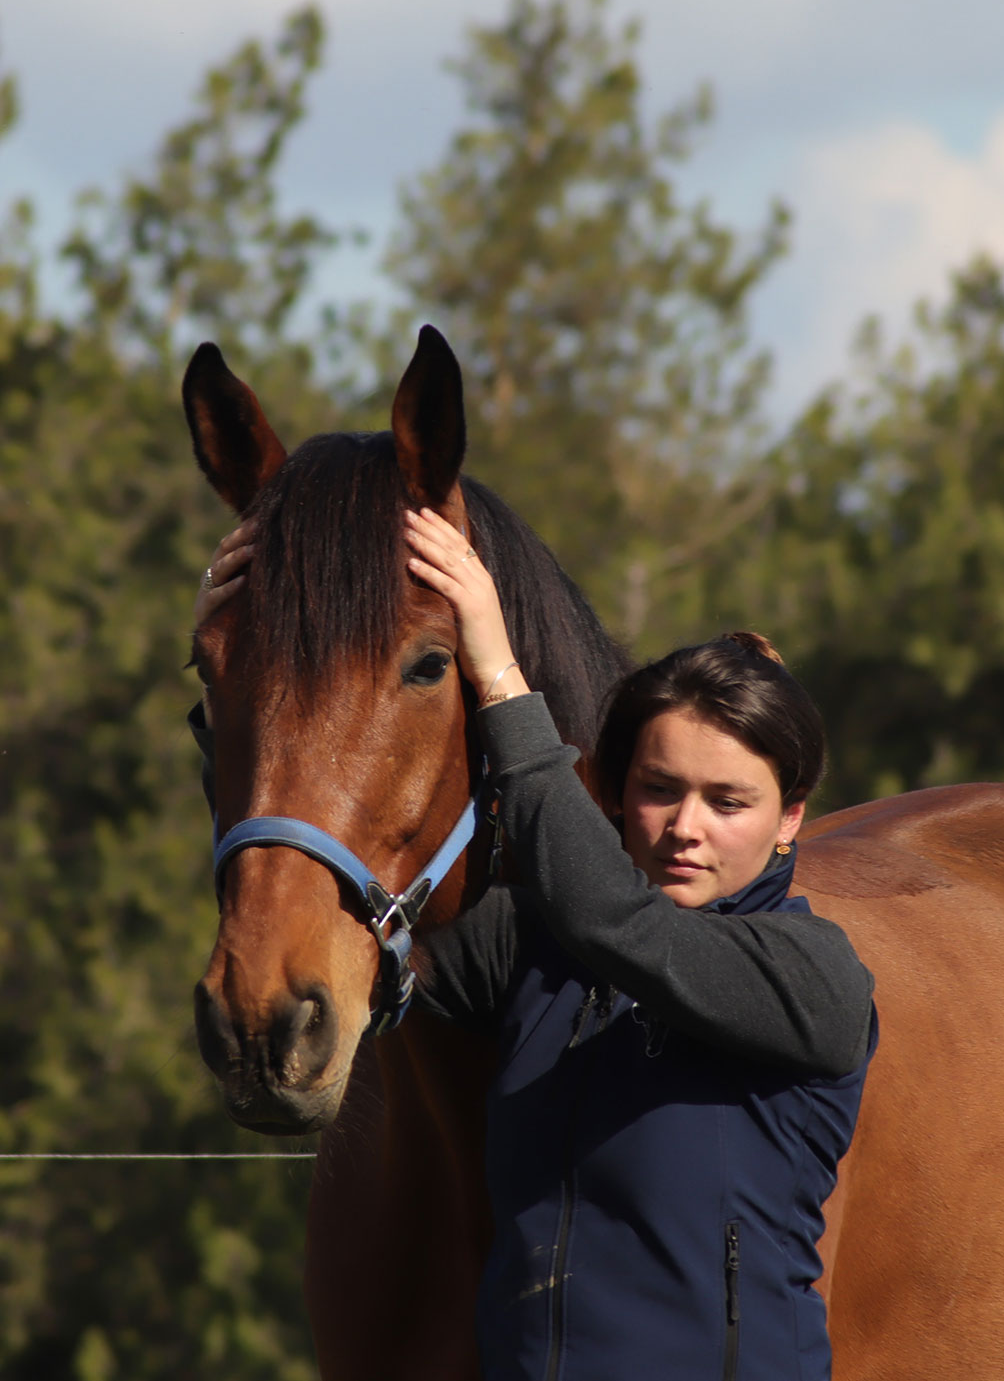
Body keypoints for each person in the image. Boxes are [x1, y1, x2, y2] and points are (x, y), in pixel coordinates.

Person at [193, 512, 876, 1381]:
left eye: (727, 802)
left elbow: (618, 924)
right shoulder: (538, 958)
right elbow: (350, 904)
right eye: (657, 789)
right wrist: (240, 669)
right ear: (617, 793)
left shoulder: (814, 978)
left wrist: (500, 676)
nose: (683, 829)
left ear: (790, 820)